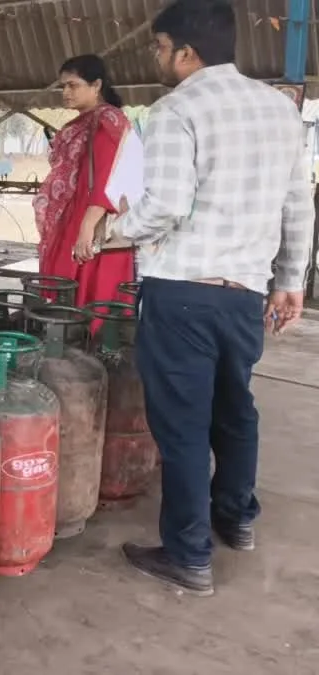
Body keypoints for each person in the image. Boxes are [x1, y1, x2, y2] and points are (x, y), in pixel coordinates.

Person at [98, 0, 315, 596]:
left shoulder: (176, 109)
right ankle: (236, 519)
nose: (157, 57)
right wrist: (290, 280)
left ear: (186, 52)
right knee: (234, 410)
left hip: (182, 293)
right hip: (244, 294)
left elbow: (165, 206)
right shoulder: (279, 109)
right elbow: (297, 203)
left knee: (184, 426)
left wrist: (113, 230)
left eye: (160, 47)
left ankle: (188, 554)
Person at [33, 55, 140, 308]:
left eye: (73, 85)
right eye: (63, 86)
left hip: (92, 221)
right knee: (66, 292)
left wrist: (87, 228)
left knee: (87, 295)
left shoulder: (106, 122)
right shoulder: (86, 122)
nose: (66, 92)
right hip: (74, 217)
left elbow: (108, 179)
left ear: (97, 85)